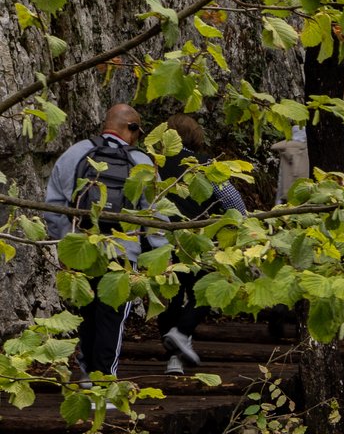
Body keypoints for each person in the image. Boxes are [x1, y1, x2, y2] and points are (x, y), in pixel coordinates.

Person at [41, 103, 158, 379]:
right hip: (122, 252)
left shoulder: (75, 153)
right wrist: (158, 255)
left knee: (87, 312)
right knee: (112, 319)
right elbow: (154, 215)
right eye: (137, 132)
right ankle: (104, 379)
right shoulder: (141, 162)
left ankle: (85, 372)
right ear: (130, 128)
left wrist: (67, 245)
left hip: (82, 249)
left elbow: (54, 205)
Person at [156, 115, 246, 373]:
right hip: (200, 238)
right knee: (205, 291)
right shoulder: (206, 165)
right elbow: (233, 202)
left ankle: (173, 358)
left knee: (168, 296)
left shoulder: (155, 163)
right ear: (196, 136)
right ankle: (182, 334)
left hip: (162, 238)